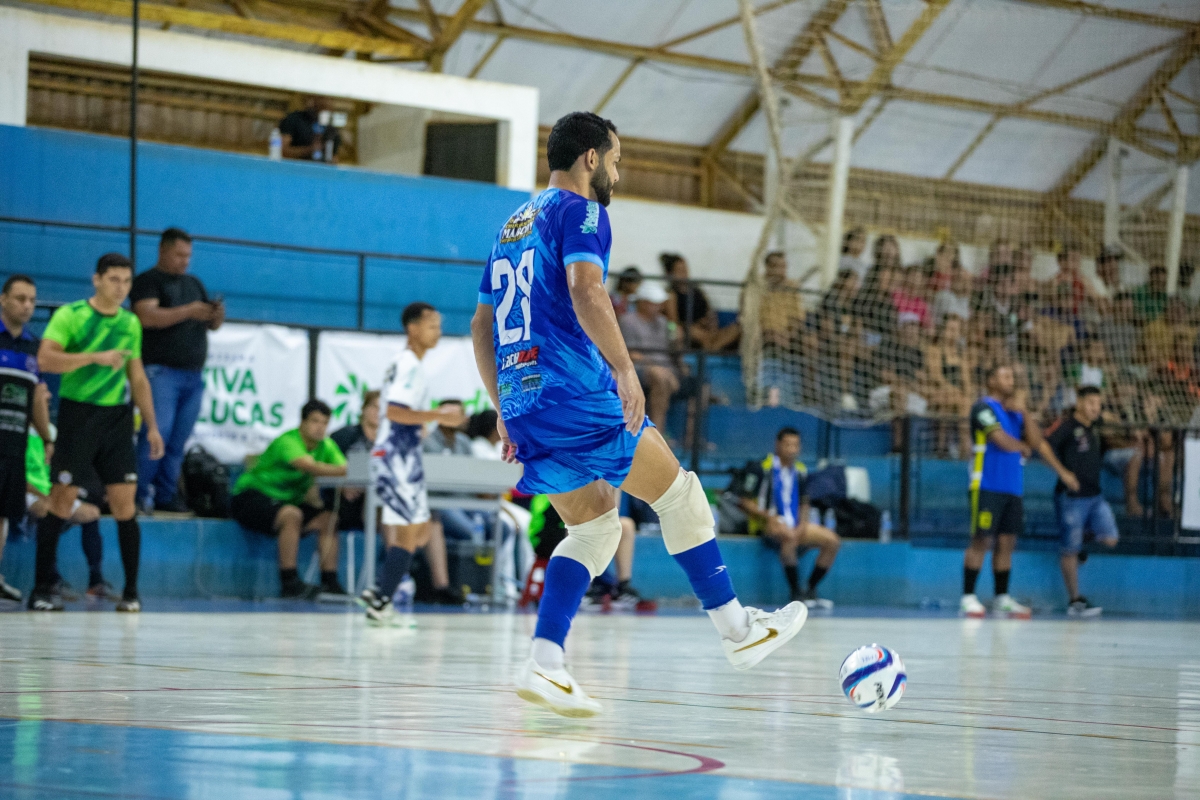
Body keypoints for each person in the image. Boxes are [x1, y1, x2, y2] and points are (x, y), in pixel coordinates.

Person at [472, 110, 805, 718]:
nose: (618, 174)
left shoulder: (510, 226)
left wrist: (502, 408)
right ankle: (738, 630)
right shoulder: (582, 211)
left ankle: (545, 662)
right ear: (591, 158)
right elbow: (586, 289)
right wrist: (626, 369)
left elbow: (480, 325)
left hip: (524, 402)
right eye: (616, 160)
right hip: (575, 391)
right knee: (681, 496)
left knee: (594, 529)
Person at [32, 253, 164, 613]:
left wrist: (152, 425)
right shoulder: (71, 315)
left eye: (127, 281)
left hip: (116, 420)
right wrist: (93, 357)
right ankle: (41, 589)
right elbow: (45, 359)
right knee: (61, 501)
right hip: (78, 416)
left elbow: (137, 376)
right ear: (97, 280)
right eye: (114, 280)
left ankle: (132, 592)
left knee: (125, 505)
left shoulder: (130, 322)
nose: (121, 288)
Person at [359, 302, 466, 625]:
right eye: (432, 326)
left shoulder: (407, 364)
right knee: (409, 532)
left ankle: (382, 587)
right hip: (397, 457)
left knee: (419, 530)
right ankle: (382, 602)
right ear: (413, 328)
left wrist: (422, 423)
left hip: (404, 455)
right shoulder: (408, 364)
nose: (438, 333)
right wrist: (439, 415)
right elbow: (395, 411)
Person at [961, 364, 1078, 619]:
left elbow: (1036, 441)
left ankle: (1001, 597)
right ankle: (968, 597)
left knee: (1007, 542)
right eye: (1005, 376)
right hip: (986, 484)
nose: (1010, 380)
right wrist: (1021, 447)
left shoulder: (1014, 413)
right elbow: (999, 439)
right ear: (991, 381)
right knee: (981, 539)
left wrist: (1024, 412)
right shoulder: (983, 408)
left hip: (1012, 487)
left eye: (1012, 376)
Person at [131, 227, 224, 513]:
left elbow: (210, 323)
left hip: (192, 375)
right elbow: (146, 316)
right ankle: (136, 494)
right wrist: (188, 311)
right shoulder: (148, 281)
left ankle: (167, 494)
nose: (184, 261)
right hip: (161, 372)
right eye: (179, 255)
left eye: (188, 256)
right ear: (162, 250)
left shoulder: (194, 283)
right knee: (156, 432)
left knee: (177, 440)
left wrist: (214, 316)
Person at [230, 399, 347, 599]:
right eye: (315, 421)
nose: (320, 427)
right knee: (292, 515)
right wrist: (342, 472)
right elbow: (309, 466)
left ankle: (330, 582)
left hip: (286, 501)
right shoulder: (288, 441)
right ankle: (289, 582)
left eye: (324, 423)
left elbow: (345, 467)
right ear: (302, 422)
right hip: (252, 496)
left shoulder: (326, 445)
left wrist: (347, 475)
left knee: (329, 519)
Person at [736, 427, 840, 608]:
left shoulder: (800, 471)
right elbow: (744, 501)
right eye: (788, 445)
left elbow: (804, 502)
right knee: (789, 537)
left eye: (796, 445)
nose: (792, 449)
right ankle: (795, 593)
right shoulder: (761, 467)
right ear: (777, 445)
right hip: (767, 522)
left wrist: (803, 524)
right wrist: (768, 516)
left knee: (832, 541)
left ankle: (810, 589)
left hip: (794, 523)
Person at [0, 275, 54, 603]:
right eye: (20, 298)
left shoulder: (35, 348)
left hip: (14, 445)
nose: (27, 305)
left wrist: (47, 437)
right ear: (3, 299)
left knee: (3, 513)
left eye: (32, 300)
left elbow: (36, 399)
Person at [1045, 387, 1119, 617]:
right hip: (1072, 498)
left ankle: (1082, 543)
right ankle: (1075, 601)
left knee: (1110, 538)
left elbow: (1110, 421)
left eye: (1098, 403)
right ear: (1079, 403)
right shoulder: (1067, 426)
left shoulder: (1095, 426)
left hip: (1094, 496)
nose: (1095, 408)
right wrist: (1063, 473)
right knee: (1069, 550)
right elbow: (1044, 445)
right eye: (1090, 402)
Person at [25, 429, 113, 600]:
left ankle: (96, 581)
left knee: (92, 513)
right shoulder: (19, 431)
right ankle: (52, 580)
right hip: (27, 492)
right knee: (48, 511)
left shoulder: (52, 431)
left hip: (52, 493)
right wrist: (45, 496)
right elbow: (14, 474)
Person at [619, 281, 682, 431]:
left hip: (666, 369)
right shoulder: (628, 321)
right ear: (642, 302)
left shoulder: (664, 322)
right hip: (640, 369)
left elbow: (673, 349)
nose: (658, 307)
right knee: (659, 377)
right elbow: (630, 354)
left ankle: (691, 437)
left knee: (699, 383)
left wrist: (678, 339)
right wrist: (655, 367)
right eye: (653, 303)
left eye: (659, 303)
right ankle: (657, 432)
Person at [662, 253, 739, 352]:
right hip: (690, 330)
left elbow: (709, 310)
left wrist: (710, 321)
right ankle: (710, 350)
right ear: (671, 274)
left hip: (707, 328)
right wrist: (695, 325)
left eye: (685, 269)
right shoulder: (671, 295)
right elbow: (673, 322)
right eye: (680, 271)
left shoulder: (697, 291)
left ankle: (713, 348)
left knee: (736, 328)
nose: (684, 274)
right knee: (696, 332)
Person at [279, 96, 340, 163]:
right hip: (295, 166)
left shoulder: (331, 129)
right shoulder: (295, 119)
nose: (326, 102)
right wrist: (309, 150)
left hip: (320, 168)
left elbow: (334, 158)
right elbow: (282, 151)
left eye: (329, 99)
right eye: (322, 98)